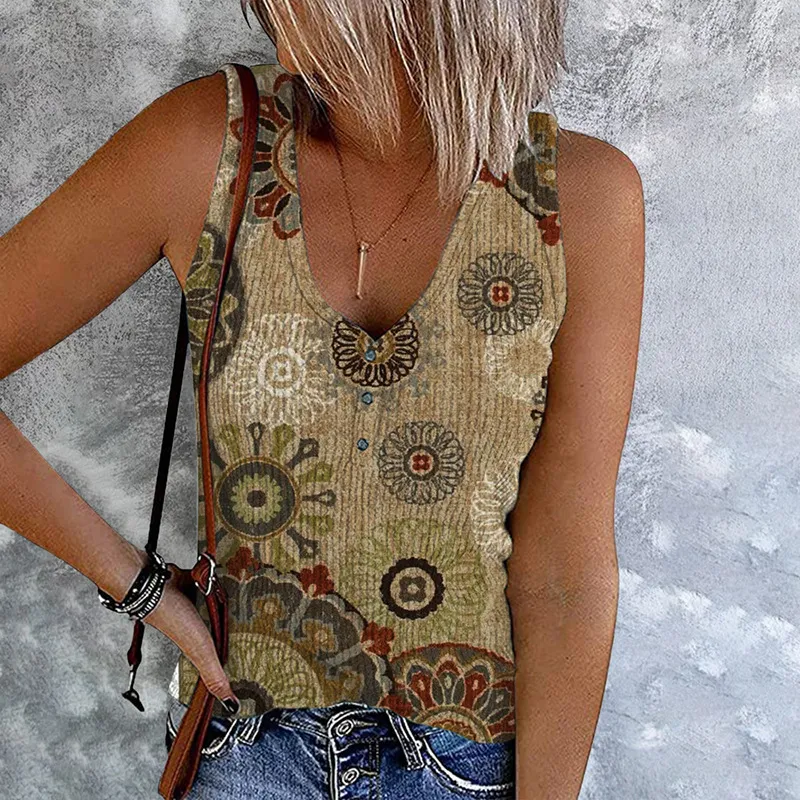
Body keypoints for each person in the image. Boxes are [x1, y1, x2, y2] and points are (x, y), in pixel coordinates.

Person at [0, 0, 644, 797]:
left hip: (469, 762)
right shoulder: (208, 145)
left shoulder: (579, 197)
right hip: (246, 750)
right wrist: (137, 586)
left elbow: (565, 567)